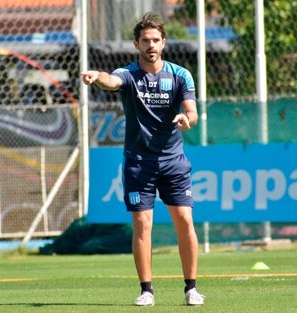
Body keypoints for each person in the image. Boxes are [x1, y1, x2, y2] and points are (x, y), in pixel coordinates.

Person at [81, 12, 205, 306]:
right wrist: (97, 77)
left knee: (185, 220)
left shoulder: (180, 75)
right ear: (137, 44)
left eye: (156, 40)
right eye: (145, 40)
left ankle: (191, 288)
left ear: (163, 43)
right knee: (142, 222)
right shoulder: (128, 74)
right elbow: (111, 81)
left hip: (173, 160)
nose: (151, 45)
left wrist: (187, 120)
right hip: (139, 161)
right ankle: (146, 290)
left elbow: (192, 113)